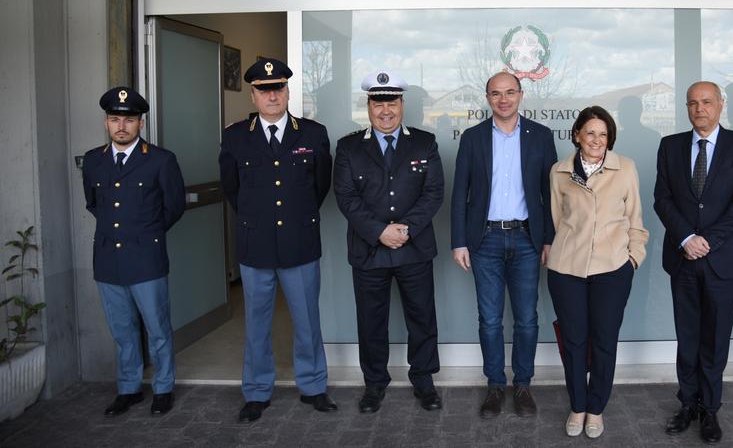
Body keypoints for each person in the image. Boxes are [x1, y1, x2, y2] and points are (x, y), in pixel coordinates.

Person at [218, 58, 335, 423]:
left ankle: (313, 386)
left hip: (300, 243)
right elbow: (232, 189)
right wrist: (259, 219)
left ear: (287, 91)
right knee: (256, 323)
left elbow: (320, 186)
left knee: (307, 321)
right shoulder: (236, 137)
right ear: (252, 95)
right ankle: (256, 391)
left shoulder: (313, 134)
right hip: (256, 245)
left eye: (278, 89)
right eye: (264, 90)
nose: (272, 96)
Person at [653, 81, 733, 444]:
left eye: (707, 102)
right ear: (686, 107)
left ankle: (710, 408)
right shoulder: (670, 146)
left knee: (715, 339)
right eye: (693, 103)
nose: (700, 109)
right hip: (682, 257)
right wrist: (686, 238)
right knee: (687, 337)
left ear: (720, 105)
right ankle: (688, 403)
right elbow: (662, 198)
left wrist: (707, 240)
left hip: (723, 260)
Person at [333, 70, 445, 413]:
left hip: (414, 248)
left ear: (402, 104)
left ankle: (423, 380)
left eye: (392, 103)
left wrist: (405, 228)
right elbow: (346, 197)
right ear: (368, 106)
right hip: (369, 250)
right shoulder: (349, 147)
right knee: (371, 321)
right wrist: (379, 231)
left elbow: (433, 192)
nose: (386, 111)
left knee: (422, 317)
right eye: (378, 103)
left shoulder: (424, 143)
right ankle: (374, 383)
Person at [450, 71, 558, 418]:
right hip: (485, 240)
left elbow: (550, 193)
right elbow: (459, 193)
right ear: (488, 98)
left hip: (527, 239)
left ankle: (523, 384)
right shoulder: (473, 138)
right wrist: (459, 241)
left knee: (527, 319)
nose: (503, 99)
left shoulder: (540, 136)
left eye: (510, 92)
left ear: (521, 94)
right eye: (496, 94)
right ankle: (495, 385)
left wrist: (549, 238)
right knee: (490, 319)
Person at [81, 86, 186, 417]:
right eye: (115, 119)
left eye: (128, 120)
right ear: (106, 123)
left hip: (146, 258)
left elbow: (174, 206)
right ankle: (128, 388)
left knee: (157, 329)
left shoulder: (160, 160)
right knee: (122, 330)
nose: (121, 126)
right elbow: (94, 204)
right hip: (107, 259)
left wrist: (145, 234)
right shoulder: (94, 161)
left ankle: (163, 388)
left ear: (140, 123)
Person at [547, 106, 649, 439]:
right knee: (574, 341)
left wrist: (632, 259)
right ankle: (577, 406)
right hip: (567, 269)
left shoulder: (626, 168)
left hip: (612, 268)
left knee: (604, 341)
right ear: (577, 135)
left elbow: (635, 219)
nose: (596, 140)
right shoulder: (559, 172)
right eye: (590, 132)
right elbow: (557, 219)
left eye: (603, 134)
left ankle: (596, 408)